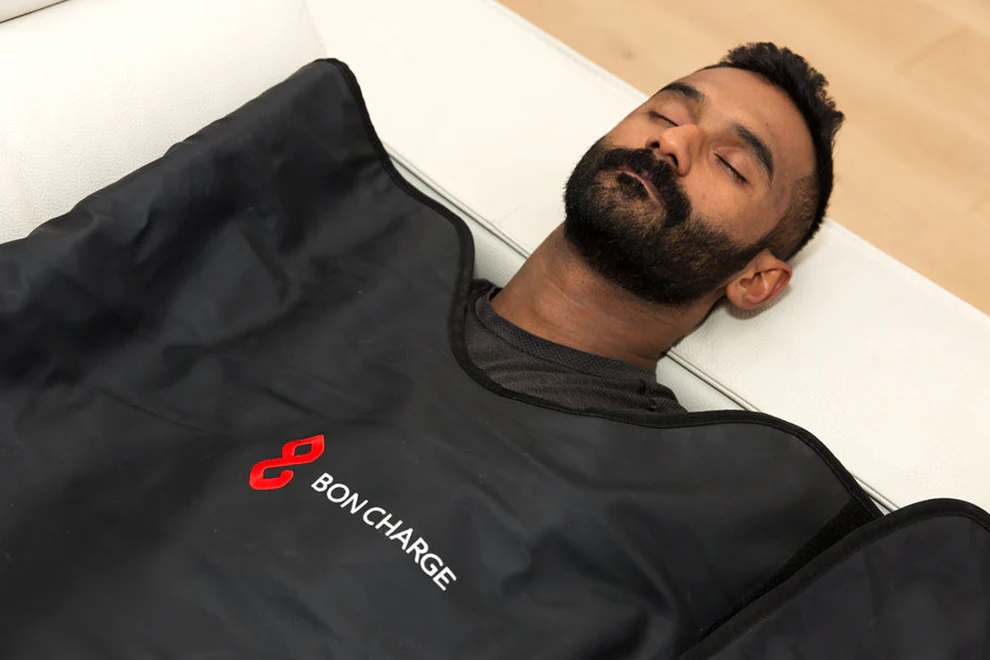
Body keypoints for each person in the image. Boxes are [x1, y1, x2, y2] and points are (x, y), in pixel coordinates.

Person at [464, 42, 844, 415]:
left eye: (731, 164)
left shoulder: (656, 468)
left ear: (755, 279)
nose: (672, 140)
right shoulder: (410, 247)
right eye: (667, 116)